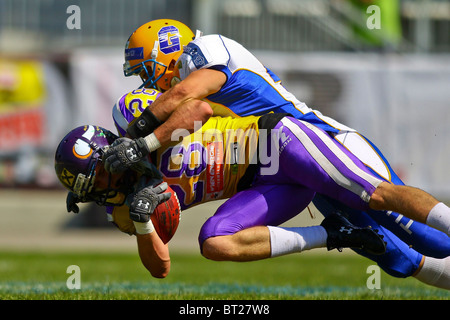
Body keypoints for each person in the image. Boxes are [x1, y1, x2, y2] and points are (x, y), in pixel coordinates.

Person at [109, 19, 450, 280]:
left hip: (317, 139)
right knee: (399, 261)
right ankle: (333, 234)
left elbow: (188, 100)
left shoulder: (206, 51)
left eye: (145, 69)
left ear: (167, 49)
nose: (147, 82)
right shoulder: (187, 101)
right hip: (280, 168)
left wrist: (140, 139)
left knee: (430, 238)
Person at [56, 95, 450, 289]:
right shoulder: (127, 210)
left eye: (98, 182)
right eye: (93, 191)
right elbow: (160, 268)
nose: (103, 193)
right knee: (213, 242)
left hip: (278, 144)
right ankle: (333, 234)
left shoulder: (133, 119)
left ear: (109, 155)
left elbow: (200, 111)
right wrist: (143, 224)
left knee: (408, 224)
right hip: (264, 185)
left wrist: (145, 145)